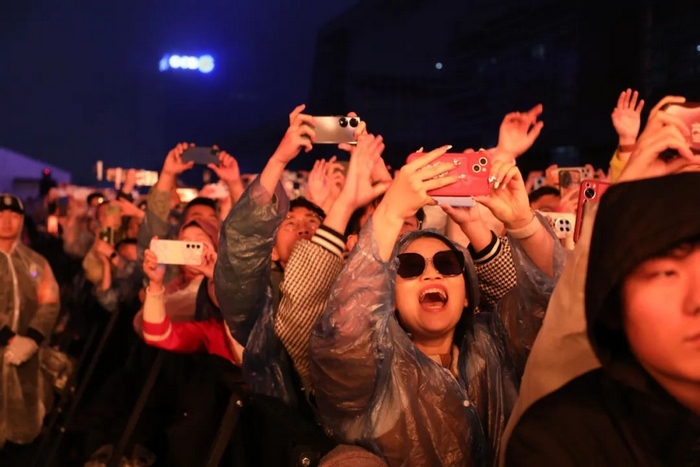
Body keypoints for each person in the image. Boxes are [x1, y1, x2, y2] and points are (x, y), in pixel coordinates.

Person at [309, 149, 565, 466]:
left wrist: (522, 222)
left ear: (468, 294)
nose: (431, 273)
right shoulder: (374, 369)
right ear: (390, 298)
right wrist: (389, 212)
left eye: (447, 264)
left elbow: (551, 300)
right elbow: (345, 338)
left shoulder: (498, 341)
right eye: (410, 266)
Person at [0, 193, 60, 458]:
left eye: (14, 216)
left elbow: (49, 302)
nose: (7, 221)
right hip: (10, 347)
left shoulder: (35, 262)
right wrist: (7, 338)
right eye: (1, 215)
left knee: (20, 433)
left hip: (26, 358)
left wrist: (33, 338)